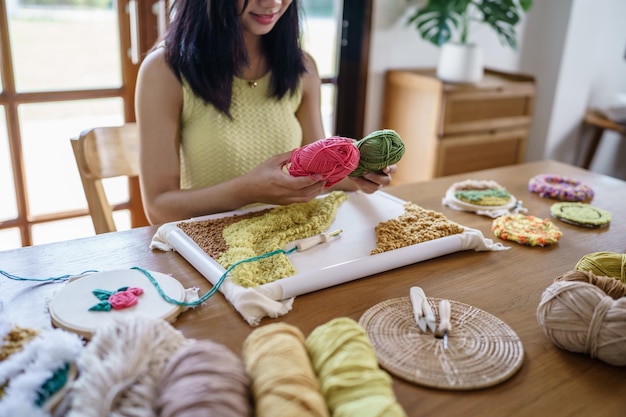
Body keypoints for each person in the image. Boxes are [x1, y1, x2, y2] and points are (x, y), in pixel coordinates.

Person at [135, 0, 396, 225]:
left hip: (294, 242)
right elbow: (159, 209)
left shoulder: (302, 68)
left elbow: (318, 176)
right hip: (209, 252)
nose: (273, 3)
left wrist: (358, 174)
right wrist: (249, 191)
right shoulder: (164, 70)